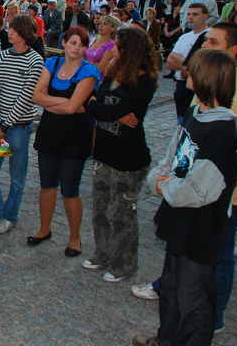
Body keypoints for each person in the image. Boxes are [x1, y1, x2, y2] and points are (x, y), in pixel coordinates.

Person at [132, 49, 237, 346]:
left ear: (207, 77)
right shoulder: (195, 113)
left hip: (199, 229)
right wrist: (160, 179)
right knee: (171, 287)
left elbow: (196, 189)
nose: (185, 70)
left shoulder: (222, 131)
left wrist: (164, 186)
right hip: (177, 221)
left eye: (193, 68)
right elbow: (171, 157)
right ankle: (166, 339)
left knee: (194, 299)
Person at [84, 27, 160, 282]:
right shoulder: (112, 72)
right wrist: (106, 110)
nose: (114, 49)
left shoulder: (144, 82)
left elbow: (105, 108)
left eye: (118, 45)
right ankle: (103, 254)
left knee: (122, 213)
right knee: (100, 208)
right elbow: (92, 104)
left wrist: (102, 108)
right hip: (103, 153)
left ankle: (123, 264)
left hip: (128, 157)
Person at [30, 26, 100, 256]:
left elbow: (70, 108)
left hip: (75, 136)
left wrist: (51, 101)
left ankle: (75, 238)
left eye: (81, 44)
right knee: (47, 185)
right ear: (64, 43)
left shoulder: (89, 71)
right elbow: (36, 97)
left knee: (70, 189)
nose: (76, 48)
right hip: (50, 132)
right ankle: (44, 229)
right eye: (72, 42)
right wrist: (65, 103)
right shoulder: (52, 63)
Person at [0, 15, 43, 233]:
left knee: (17, 176)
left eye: (14, 29)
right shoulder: (4, 56)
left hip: (18, 128)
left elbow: (26, 97)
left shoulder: (35, 61)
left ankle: (10, 215)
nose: (10, 32)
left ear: (25, 33)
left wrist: (5, 125)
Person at [167, 3, 209, 122]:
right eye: (189, 14)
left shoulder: (208, 36)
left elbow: (194, 67)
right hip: (180, 87)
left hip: (194, 89)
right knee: (180, 122)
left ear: (205, 16)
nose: (190, 17)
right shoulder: (184, 37)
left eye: (195, 14)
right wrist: (185, 63)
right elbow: (170, 62)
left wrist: (178, 58)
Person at [85, 15, 119, 79]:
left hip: (97, 79)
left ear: (113, 28)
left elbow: (101, 68)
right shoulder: (92, 41)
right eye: (101, 23)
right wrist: (93, 64)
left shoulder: (111, 45)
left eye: (105, 24)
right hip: (84, 76)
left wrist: (86, 64)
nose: (101, 26)